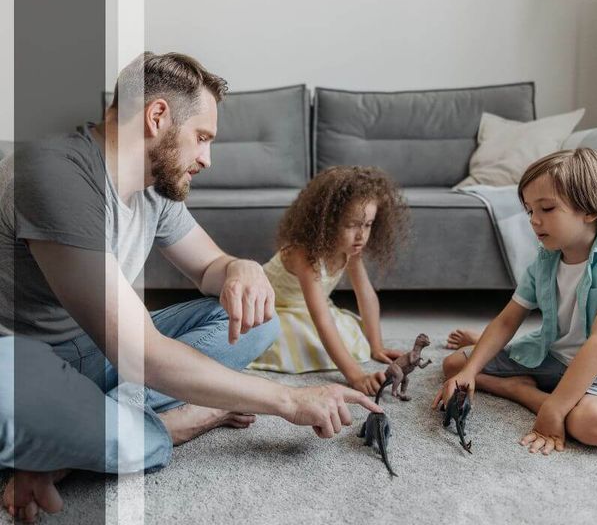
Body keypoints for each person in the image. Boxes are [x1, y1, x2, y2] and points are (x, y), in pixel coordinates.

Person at [0, 52, 381, 522]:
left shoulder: (155, 188)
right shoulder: (55, 174)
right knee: (36, 400)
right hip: (23, 360)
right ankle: (176, 423)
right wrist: (287, 399)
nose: (207, 158)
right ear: (157, 116)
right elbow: (140, 354)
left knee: (259, 323)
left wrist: (240, 267)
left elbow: (209, 269)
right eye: (202, 138)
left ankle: (70, 440)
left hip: (93, 353)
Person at [432, 148, 597, 456]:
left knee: (589, 424)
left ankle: (524, 392)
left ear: (590, 210)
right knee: (456, 365)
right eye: (529, 211)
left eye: (547, 208)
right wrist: (470, 372)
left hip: (594, 369)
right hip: (552, 356)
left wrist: (552, 411)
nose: (534, 221)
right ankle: (526, 388)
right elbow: (509, 319)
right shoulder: (545, 261)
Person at [250, 166, 410, 396]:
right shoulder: (303, 253)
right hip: (271, 308)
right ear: (326, 221)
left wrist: (376, 345)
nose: (361, 235)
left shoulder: (351, 249)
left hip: (306, 308)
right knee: (301, 340)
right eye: (352, 225)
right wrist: (355, 375)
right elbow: (322, 319)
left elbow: (365, 294)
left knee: (353, 334)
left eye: (368, 225)